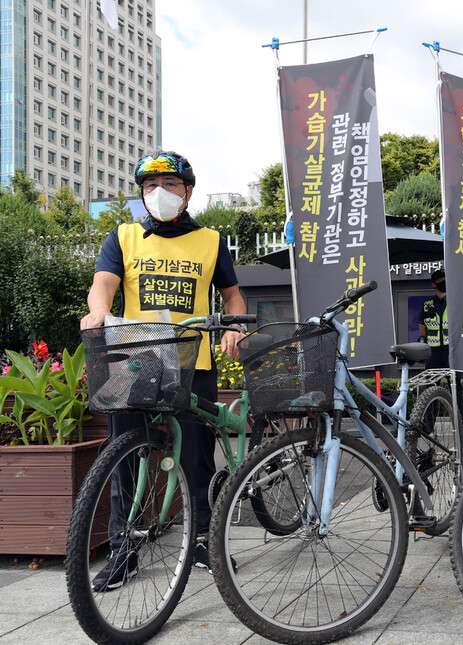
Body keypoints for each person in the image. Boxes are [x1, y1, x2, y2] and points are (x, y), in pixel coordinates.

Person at [80, 151, 247, 590]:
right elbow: (104, 284)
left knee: (196, 457)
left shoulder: (210, 240)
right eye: (150, 185)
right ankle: (124, 548)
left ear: (188, 191)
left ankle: (205, 544)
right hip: (138, 358)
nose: (159, 193)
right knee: (125, 454)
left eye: (169, 184)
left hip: (195, 362)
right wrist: (98, 312)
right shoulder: (124, 236)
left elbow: (232, 297)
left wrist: (232, 327)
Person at [417, 269, 463, 411]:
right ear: (433, 284)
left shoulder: (455, 303)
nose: (445, 283)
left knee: (455, 387)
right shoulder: (427, 305)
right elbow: (422, 329)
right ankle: (428, 425)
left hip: (451, 351)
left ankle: (458, 421)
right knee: (430, 389)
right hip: (433, 353)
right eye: (441, 281)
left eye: (446, 280)